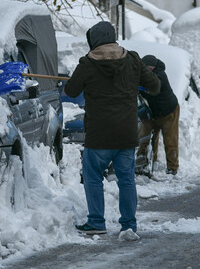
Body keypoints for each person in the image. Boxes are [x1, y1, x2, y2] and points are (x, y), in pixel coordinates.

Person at [64, 21, 160, 240]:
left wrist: (83, 79)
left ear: (94, 41)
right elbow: (155, 86)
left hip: (99, 134)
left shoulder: (88, 63)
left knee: (93, 177)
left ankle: (96, 222)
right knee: (127, 180)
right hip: (126, 133)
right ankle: (128, 225)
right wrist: (136, 81)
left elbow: (70, 90)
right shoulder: (133, 59)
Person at [137, 55, 180, 175]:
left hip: (169, 112)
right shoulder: (148, 74)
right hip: (154, 112)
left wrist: (138, 87)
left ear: (151, 67)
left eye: (146, 68)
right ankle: (149, 162)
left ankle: (172, 168)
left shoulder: (159, 75)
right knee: (149, 138)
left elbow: (151, 89)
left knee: (170, 140)